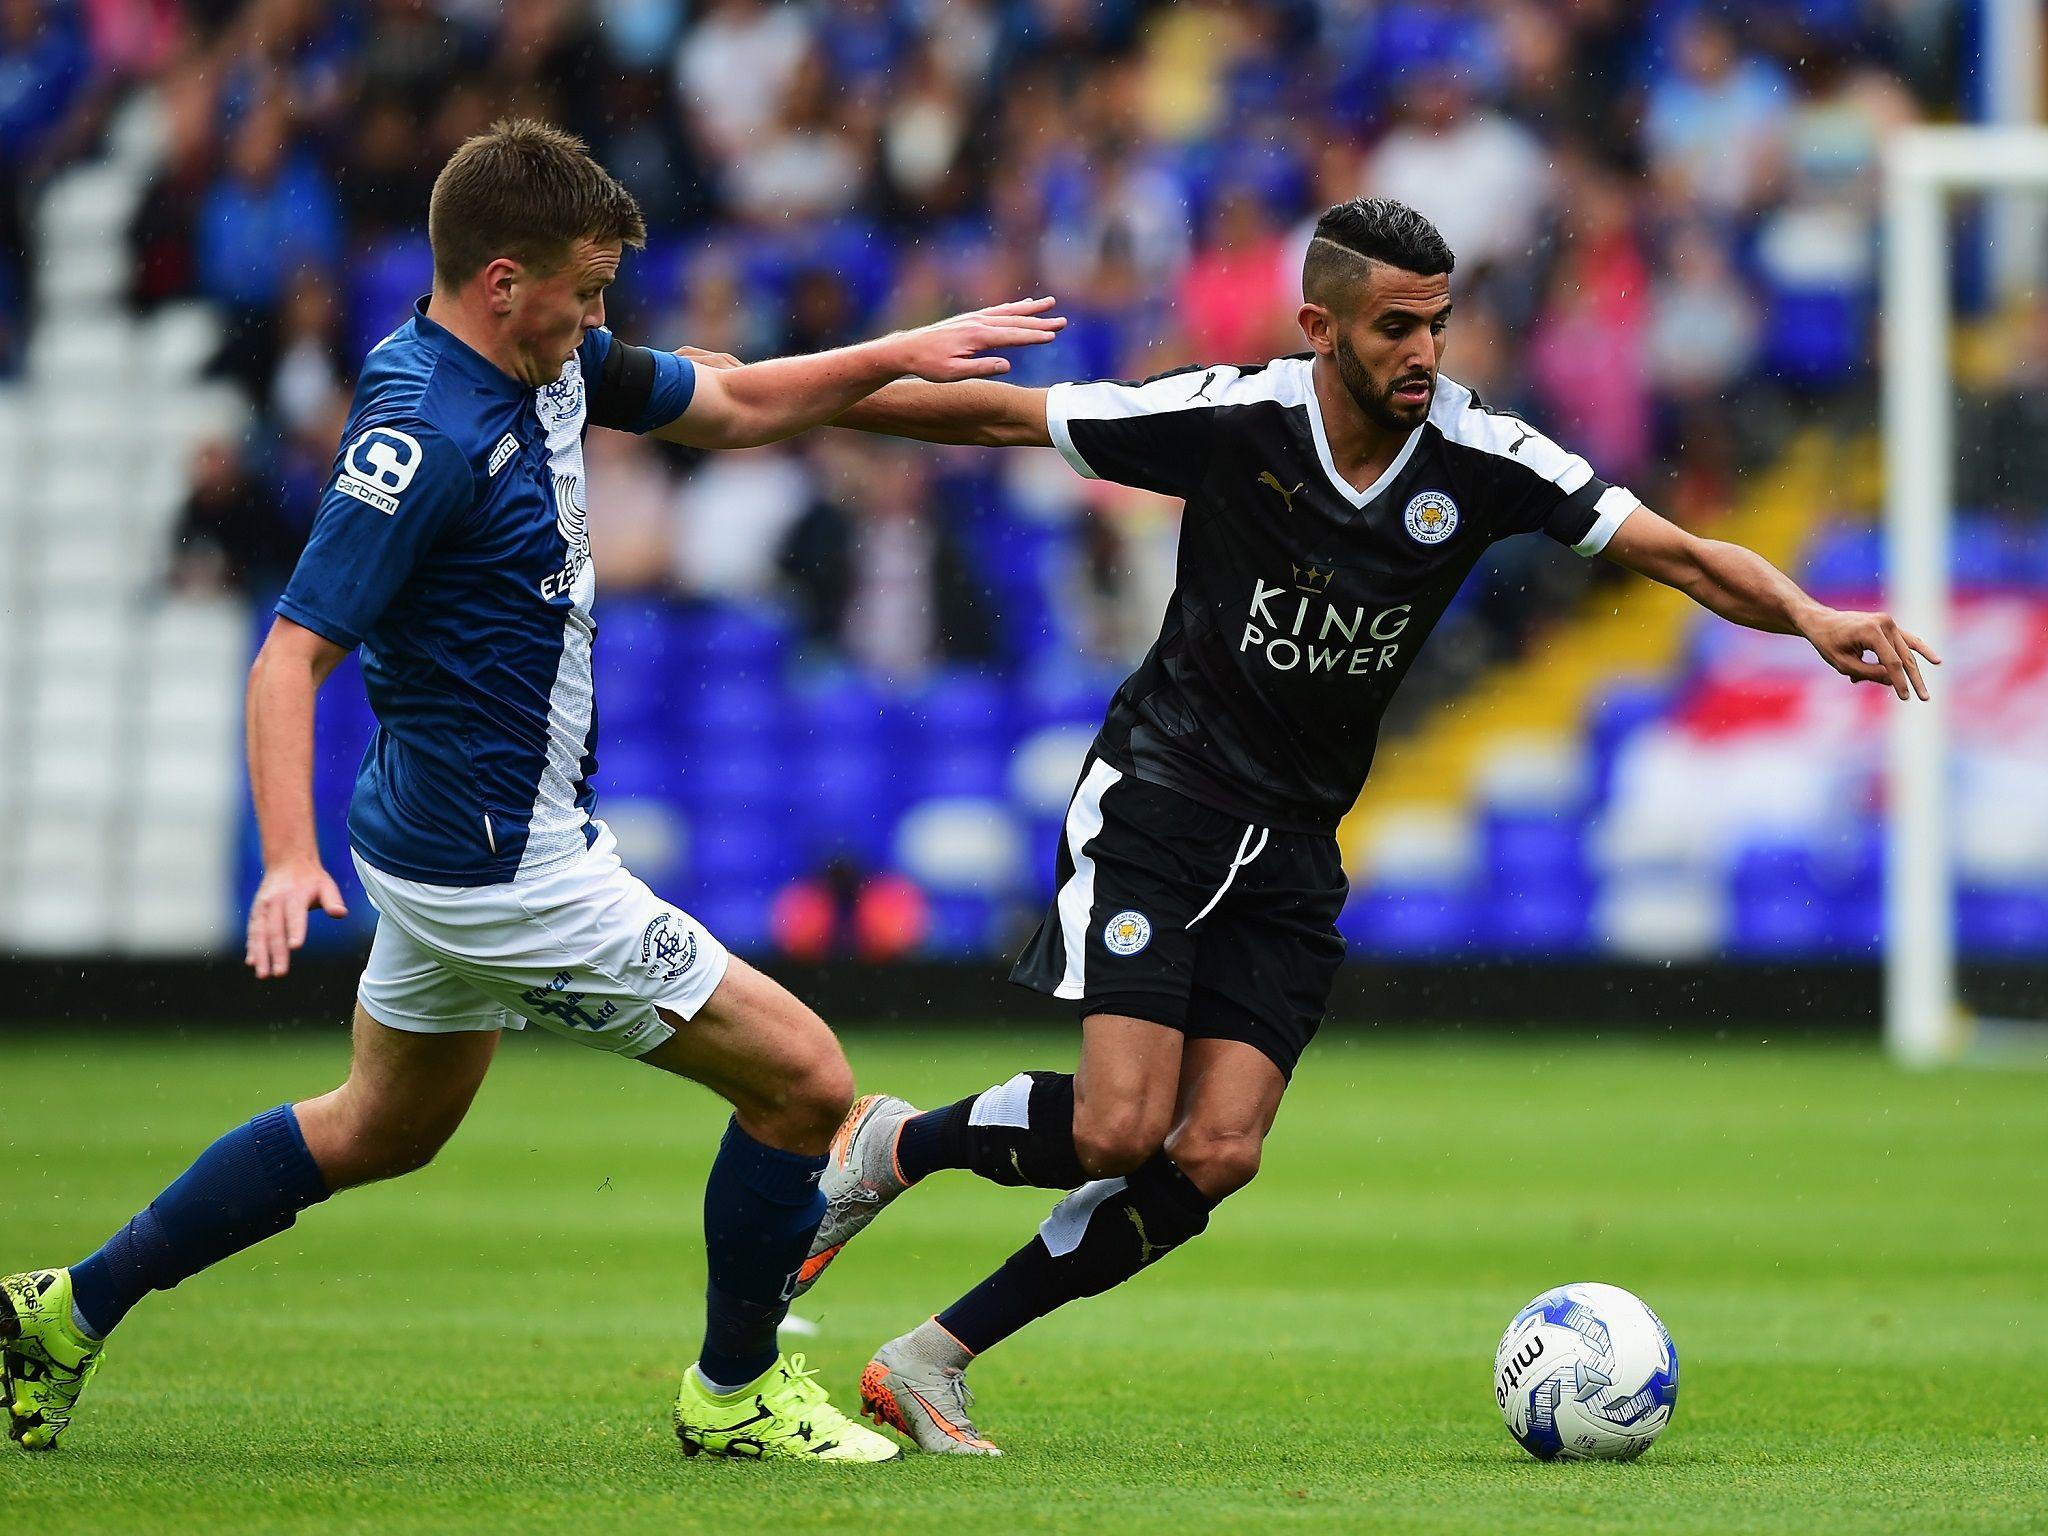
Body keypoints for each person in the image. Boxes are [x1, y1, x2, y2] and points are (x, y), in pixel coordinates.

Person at [800, 197, 1940, 1455]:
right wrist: (776, 395)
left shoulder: (1482, 456)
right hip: (1166, 796)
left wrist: (1810, 614)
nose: (1424, 352)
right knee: (1121, 1126)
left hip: (1292, 841)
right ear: (1318, 325)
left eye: (1438, 325)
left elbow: (1675, 553)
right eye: (1395, 326)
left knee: (1216, 1150)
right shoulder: (1233, 418)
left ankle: (929, 1359)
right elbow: (1002, 417)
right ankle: (893, 1142)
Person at [0, 117, 1062, 1463]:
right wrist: (282, 855)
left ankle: (64, 1312)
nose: (600, 316)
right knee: (804, 1081)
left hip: (460, 840)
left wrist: (901, 360)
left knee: (377, 1127)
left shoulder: (544, 360)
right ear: (505, 279)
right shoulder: (422, 431)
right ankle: (733, 1390)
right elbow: (287, 657)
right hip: (496, 869)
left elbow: (728, 402)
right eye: (590, 289)